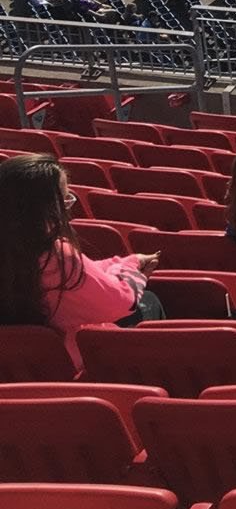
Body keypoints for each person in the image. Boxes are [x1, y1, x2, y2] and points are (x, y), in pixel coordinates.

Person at [0, 152, 161, 366]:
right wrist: (133, 265)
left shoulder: (18, 250)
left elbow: (86, 273)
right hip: (62, 365)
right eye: (64, 200)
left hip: (14, 365)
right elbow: (120, 302)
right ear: (45, 207)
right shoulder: (56, 256)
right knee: (148, 301)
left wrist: (119, 263)